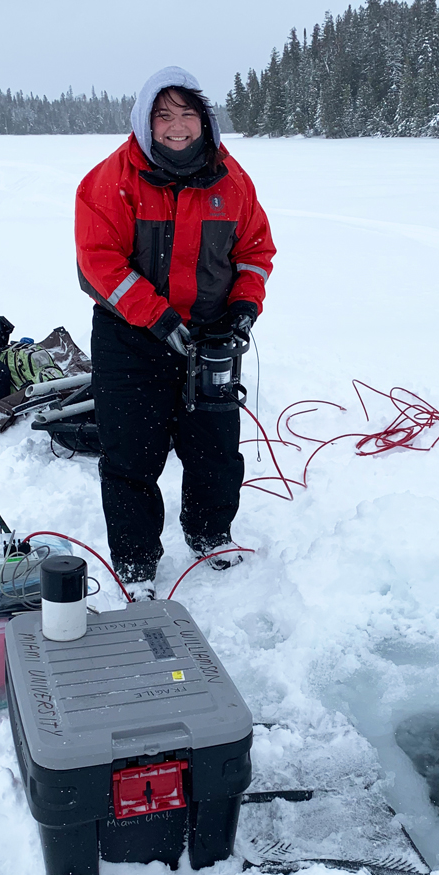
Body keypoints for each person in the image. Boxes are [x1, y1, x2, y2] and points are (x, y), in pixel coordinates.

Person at [74, 66, 275, 600]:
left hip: (210, 337)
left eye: (188, 114)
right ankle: (136, 563)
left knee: (215, 448)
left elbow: (255, 252)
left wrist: (242, 311)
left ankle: (210, 534)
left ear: (204, 121)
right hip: (130, 339)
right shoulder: (110, 179)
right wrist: (159, 318)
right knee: (131, 455)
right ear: (146, 122)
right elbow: (98, 263)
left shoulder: (232, 182)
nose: (177, 126)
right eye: (164, 115)